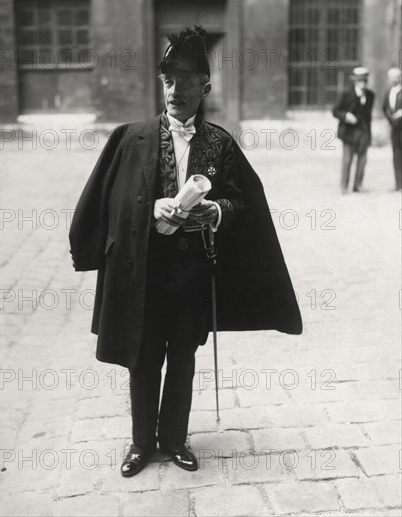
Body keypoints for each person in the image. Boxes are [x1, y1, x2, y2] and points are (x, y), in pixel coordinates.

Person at [69, 25, 302, 478]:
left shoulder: (220, 143)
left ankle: (174, 440)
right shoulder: (130, 138)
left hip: (193, 272)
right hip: (144, 270)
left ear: (205, 87)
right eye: (169, 81)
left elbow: (243, 201)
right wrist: (149, 205)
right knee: (143, 357)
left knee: (182, 358)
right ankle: (140, 443)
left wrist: (216, 209)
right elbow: (107, 202)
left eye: (186, 81)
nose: (176, 90)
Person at [333, 67, 375, 193]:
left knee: (362, 160)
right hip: (348, 132)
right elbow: (335, 111)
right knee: (347, 159)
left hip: (363, 132)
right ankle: (344, 186)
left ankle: (358, 185)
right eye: (360, 80)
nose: (362, 83)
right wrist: (346, 115)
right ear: (355, 81)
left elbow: (368, 117)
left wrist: (369, 134)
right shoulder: (346, 93)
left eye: (364, 80)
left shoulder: (371, 95)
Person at [382, 67, 402, 191]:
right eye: (391, 77)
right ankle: (398, 184)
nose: (394, 79)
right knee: (396, 155)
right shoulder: (388, 91)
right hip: (395, 129)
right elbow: (384, 108)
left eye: (396, 77)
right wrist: (391, 118)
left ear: (400, 78)